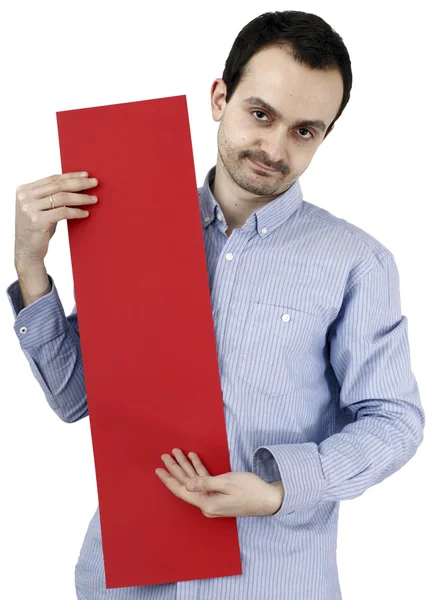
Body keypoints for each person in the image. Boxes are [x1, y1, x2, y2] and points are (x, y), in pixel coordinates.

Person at [6, 9, 425, 600]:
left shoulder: (356, 262)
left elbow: (393, 421)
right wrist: (30, 268)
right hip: (125, 580)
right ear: (219, 98)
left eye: (305, 130)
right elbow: (75, 399)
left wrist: (278, 489)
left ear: (325, 136)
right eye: (261, 114)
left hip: (274, 581)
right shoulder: (131, 225)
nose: (275, 148)